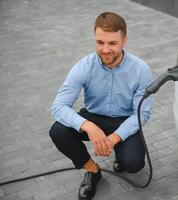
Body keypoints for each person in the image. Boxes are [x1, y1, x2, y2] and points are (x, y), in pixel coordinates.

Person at [49, 12, 153, 200]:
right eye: (100, 42)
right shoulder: (84, 65)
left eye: (112, 43)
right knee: (58, 131)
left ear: (124, 41)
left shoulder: (141, 70)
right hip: (93, 116)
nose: (105, 50)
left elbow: (142, 114)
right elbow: (58, 106)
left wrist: (113, 139)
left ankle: (121, 156)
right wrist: (88, 127)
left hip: (124, 120)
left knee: (133, 164)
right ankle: (92, 170)